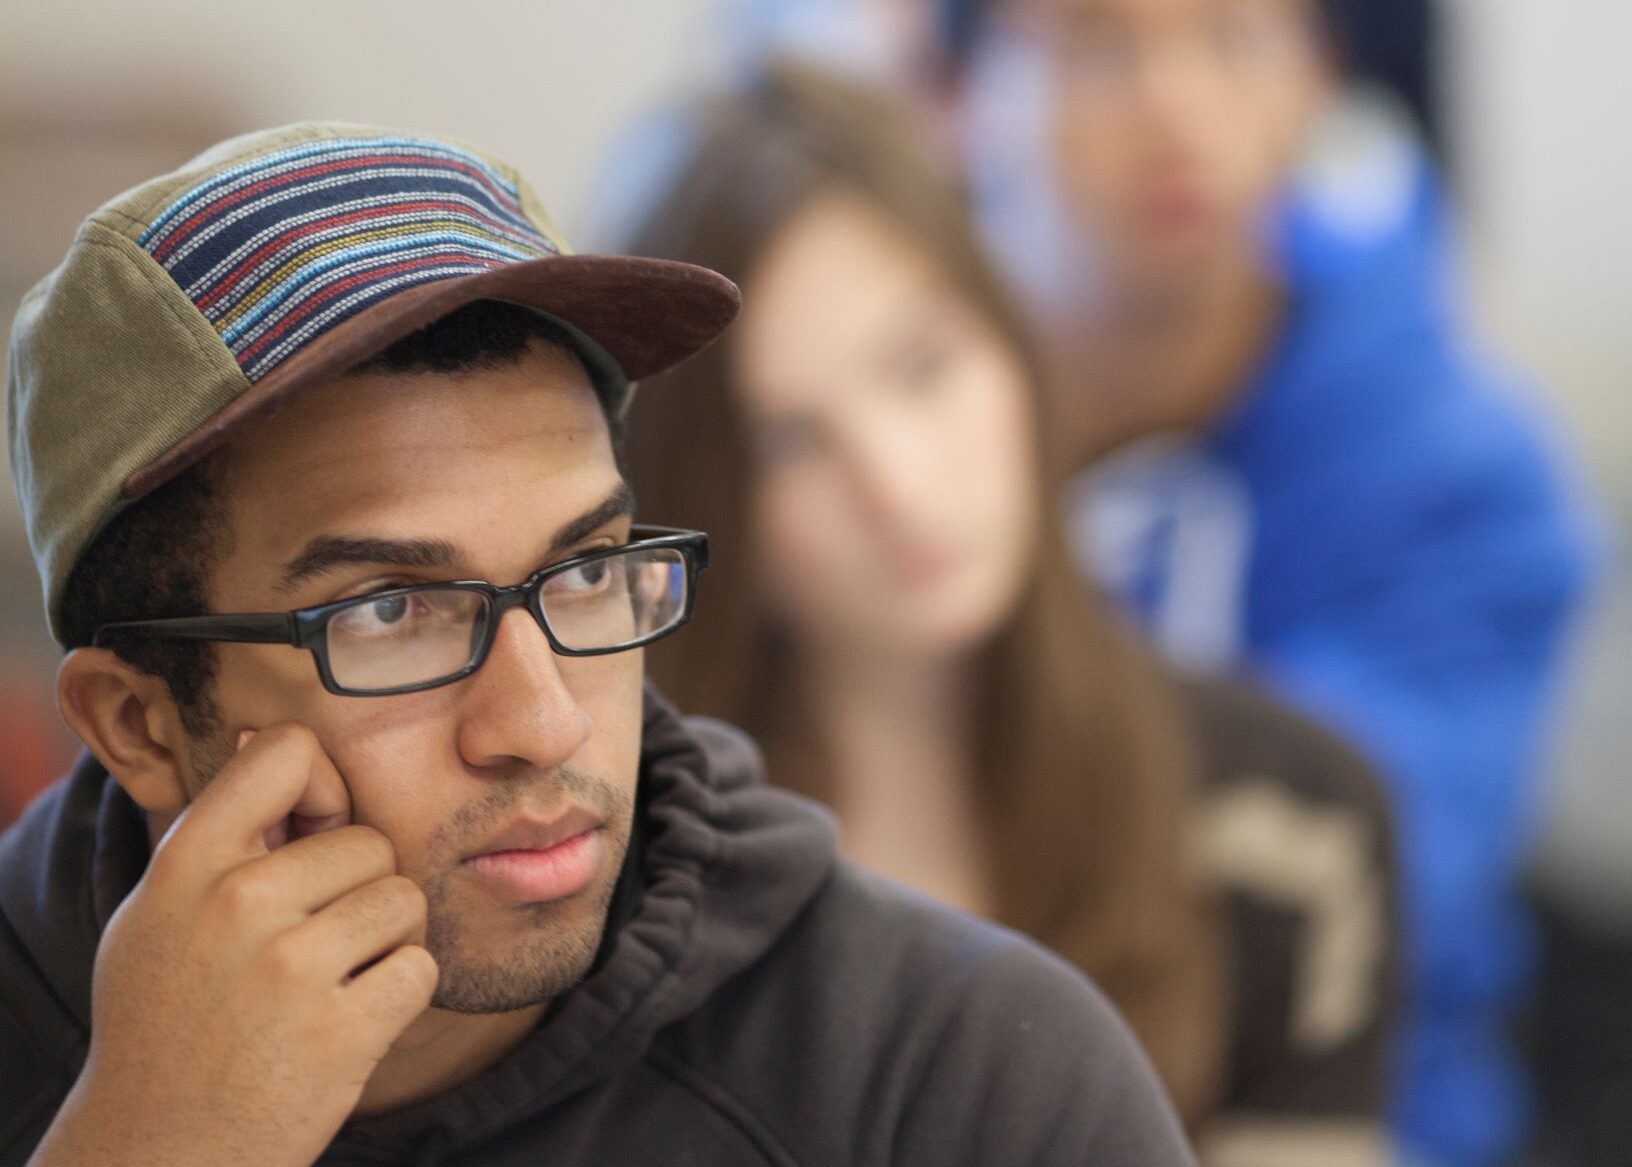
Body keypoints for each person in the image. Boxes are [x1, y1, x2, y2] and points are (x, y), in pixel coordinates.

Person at [0, 122, 1196, 1167]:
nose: (543, 723)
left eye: (583, 575)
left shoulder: (955, 1081)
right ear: (139, 725)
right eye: (389, 612)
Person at [620, 62, 1398, 1162]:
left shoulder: (1292, 825)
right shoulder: (631, 888)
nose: (897, 483)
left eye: (922, 366)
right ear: (704, 496)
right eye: (788, 439)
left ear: (1015, 352)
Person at [951, 3, 1598, 1163]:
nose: (1175, 108)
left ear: (1318, 78)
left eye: (1238, 37)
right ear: (955, 97)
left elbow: (1329, 906)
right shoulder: (863, 438)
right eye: (1096, 47)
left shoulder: (1465, 476)